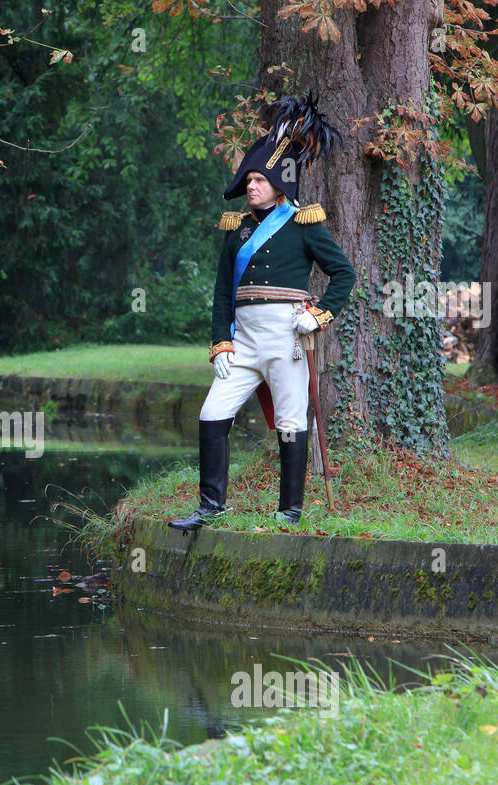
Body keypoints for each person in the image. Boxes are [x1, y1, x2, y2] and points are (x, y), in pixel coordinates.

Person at [169, 91, 356, 530]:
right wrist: (220, 342)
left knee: (292, 422)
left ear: (279, 182)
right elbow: (221, 294)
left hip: (287, 338)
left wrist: (320, 314)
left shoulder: (303, 223)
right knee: (211, 414)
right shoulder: (236, 230)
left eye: (259, 179)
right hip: (244, 341)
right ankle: (211, 507)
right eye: (248, 179)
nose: (250, 186)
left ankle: (289, 511)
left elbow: (344, 274)